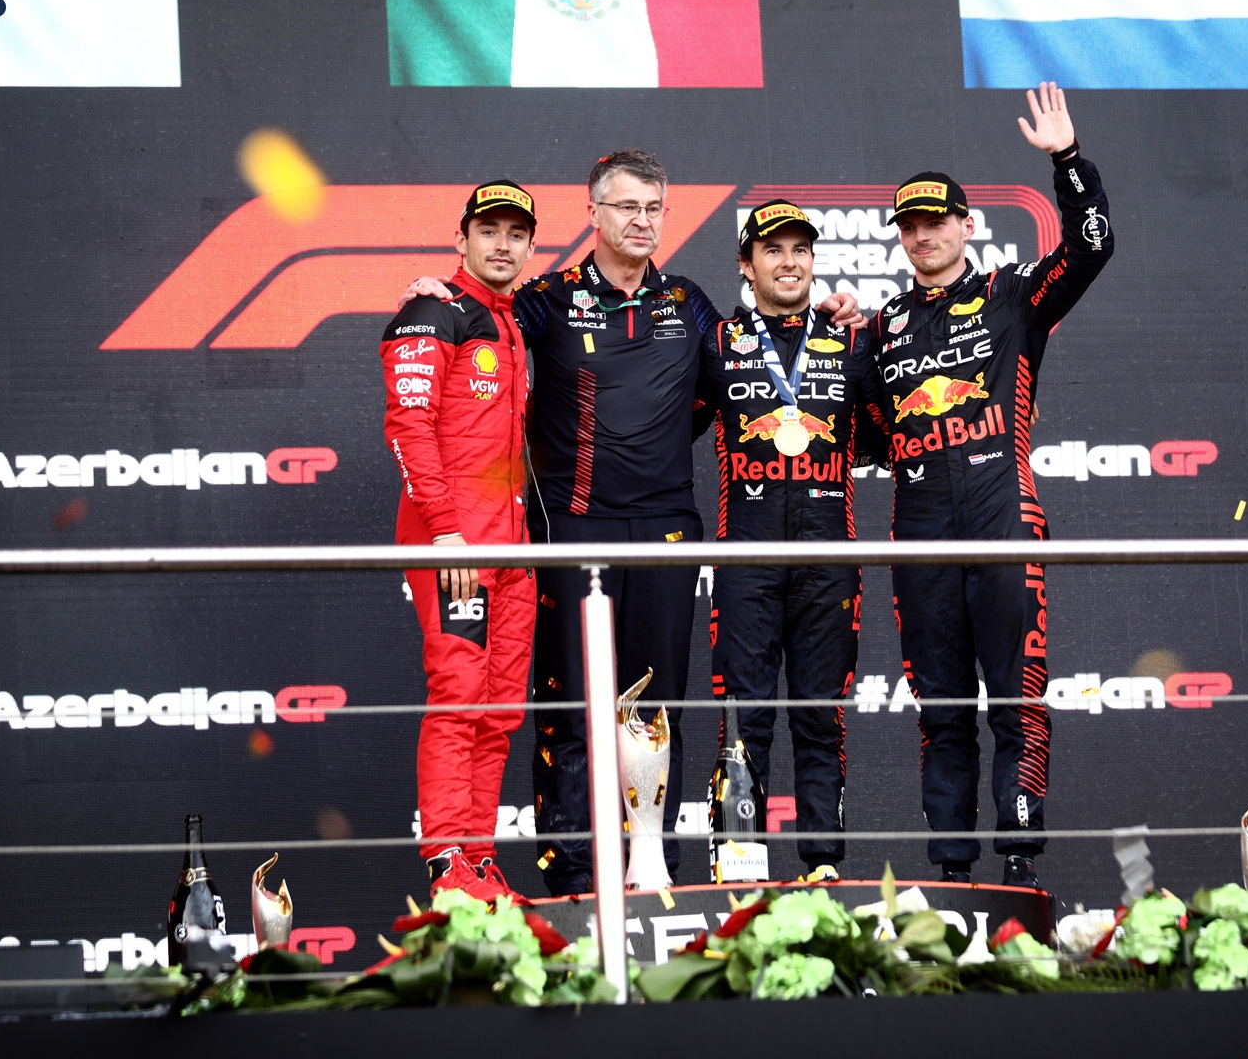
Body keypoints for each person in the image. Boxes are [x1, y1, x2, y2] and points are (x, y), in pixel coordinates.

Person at [400, 153, 864, 896]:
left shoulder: (688, 301)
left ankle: (654, 872)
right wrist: (434, 290)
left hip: (665, 533)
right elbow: (479, 318)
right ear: (593, 213)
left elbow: (747, 369)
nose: (641, 221)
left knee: (652, 711)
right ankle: (576, 879)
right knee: (572, 712)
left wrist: (831, 317)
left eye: (653, 208)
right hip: (572, 533)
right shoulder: (547, 299)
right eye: (626, 207)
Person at [873, 82, 1113, 887]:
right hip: (919, 537)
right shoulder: (882, 327)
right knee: (942, 716)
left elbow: (1092, 247)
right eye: (910, 226)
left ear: (967, 225)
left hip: (1003, 518)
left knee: (1017, 701)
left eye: (937, 221)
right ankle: (951, 879)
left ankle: (1019, 870)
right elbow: (864, 431)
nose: (924, 235)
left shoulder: (1011, 295)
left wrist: (1067, 160)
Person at [702, 200, 889, 883]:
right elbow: (664, 421)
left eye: (800, 249)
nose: (789, 262)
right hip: (746, 557)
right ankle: (738, 867)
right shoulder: (716, 342)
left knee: (820, 719)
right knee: (743, 718)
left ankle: (823, 868)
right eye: (773, 250)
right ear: (746, 265)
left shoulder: (850, 341)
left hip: (828, 559)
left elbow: (889, 436)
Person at [381, 181, 538, 900]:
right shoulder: (430, 312)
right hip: (454, 546)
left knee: (500, 711)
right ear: (461, 239)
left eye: (516, 234)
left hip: (512, 548)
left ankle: (479, 861)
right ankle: (447, 865)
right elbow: (407, 426)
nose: (502, 245)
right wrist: (446, 532)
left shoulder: (512, 321)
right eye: (489, 231)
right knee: (459, 696)